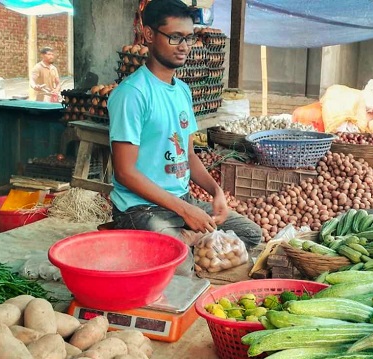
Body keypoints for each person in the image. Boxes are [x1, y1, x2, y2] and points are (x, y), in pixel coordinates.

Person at [107, 0, 262, 272]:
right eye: (175, 37)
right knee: (181, 268)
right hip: (141, 209)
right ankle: (186, 242)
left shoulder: (182, 92)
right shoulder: (132, 94)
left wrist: (216, 193)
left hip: (181, 202)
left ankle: (188, 239)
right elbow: (124, 172)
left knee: (250, 234)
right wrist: (184, 211)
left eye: (189, 38)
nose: (184, 47)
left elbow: (188, 155)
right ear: (149, 35)